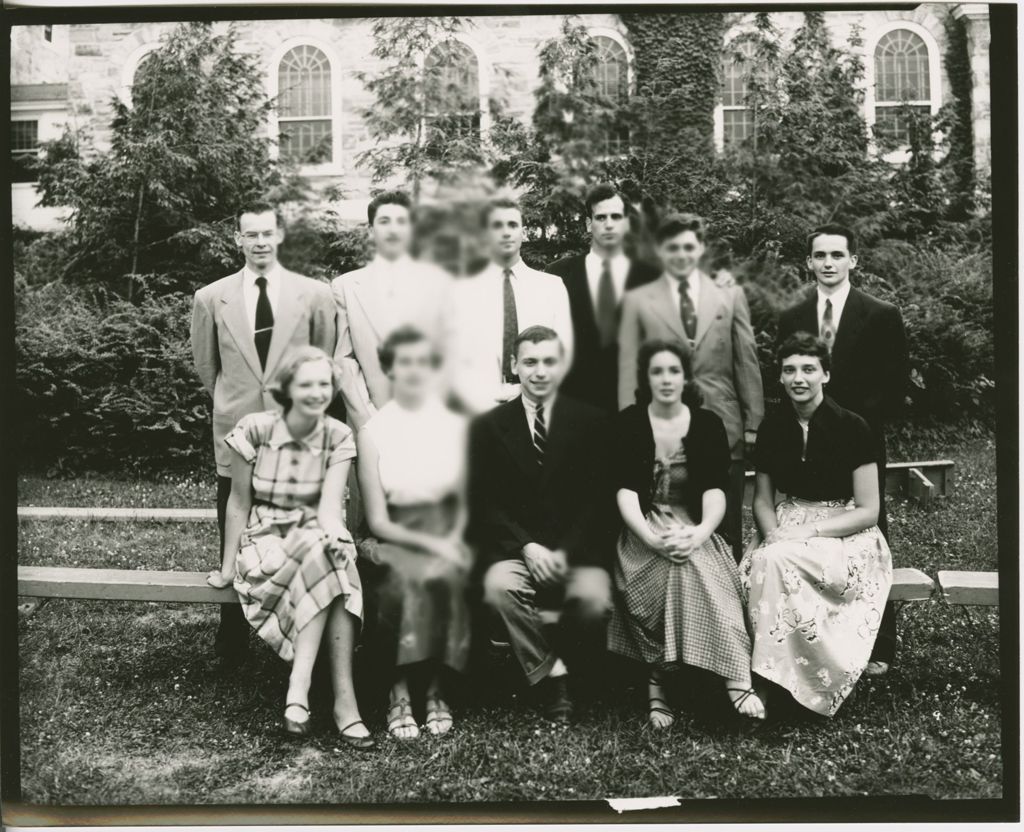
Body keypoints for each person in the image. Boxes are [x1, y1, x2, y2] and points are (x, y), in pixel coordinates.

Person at [191, 202, 338, 663]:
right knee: (232, 511)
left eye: (267, 234)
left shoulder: (314, 295)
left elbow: (324, 359)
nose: (259, 242)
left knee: (296, 522)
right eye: (250, 235)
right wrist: (233, 401)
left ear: (280, 237)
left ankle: (300, 623)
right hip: (235, 426)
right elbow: (206, 366)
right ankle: (231, 629)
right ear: (237, 239)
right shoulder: (211, 297)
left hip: (295, 429)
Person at [205, 347, 374, 750]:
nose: (317, 392)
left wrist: (338, 535)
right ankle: (343, 705)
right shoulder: (254, 429)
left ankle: (299, 692)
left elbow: (330, 510)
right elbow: (239, 503)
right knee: (332, 564)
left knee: (329, 552)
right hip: (265, 539)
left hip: (313, 534)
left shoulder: (338, 435)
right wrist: (228, 568)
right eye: (307, 384)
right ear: (287, 387)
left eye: (323, 384)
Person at [609, 339, 765, 728]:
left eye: (673, 371)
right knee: (677, 568)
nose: (666, 379)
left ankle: (662, 681)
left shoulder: (707, 424)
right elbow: (626, 491)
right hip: (642, 535)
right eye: (657, 371)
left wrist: (698, 534)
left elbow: (715, 491)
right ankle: (733, 679)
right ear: (646, 378)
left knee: (690, 564)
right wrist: (649, 537)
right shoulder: (628, 423)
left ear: (686, 377)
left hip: (694, 529)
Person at [776, 224, 909, 677]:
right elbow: (790, 379)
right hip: (806, 439)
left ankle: (879, 640)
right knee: (806, 521)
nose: (828, 263)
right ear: (809, 262)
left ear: (854, 260)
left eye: (837, 254)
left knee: (871, 529)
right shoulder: (791, 316)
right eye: (819, 255)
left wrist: (850, 425)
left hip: (859, 438)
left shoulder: (880, 314)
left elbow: (894, 385)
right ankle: (813, 630)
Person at [740, 333, 893, 718]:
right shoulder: (773, 428)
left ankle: (776, 683)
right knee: (765, 561)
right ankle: (774, 677)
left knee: (775, 564)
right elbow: (762, 499)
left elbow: (868, 510)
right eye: (789, 370)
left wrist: (807, 533)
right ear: (779, 378)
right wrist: (774, 533)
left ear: (825, 374)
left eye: (809, 369)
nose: (799, 378)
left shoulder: (854, 427)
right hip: (787, 523)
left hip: (844, 532)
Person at [469, 326, 615, 723]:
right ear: (514, 366)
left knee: (595, 602)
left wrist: (563, 553)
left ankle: (583, 676)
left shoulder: (592, 422)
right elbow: (485, 503)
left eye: (549, 361)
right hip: (517, 550)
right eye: (530, 362)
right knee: (500, 587)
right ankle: (554, 676)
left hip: (576, 552)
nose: (539, 371)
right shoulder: (488, 426)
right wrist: (527, 547)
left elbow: (597, 503)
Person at [618, 213, 763, 562]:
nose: (681, 254)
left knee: (725, 524)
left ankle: (731, 596)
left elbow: (746, 359)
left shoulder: (729, 295)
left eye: (688, 246)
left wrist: (754, 422)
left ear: (699, 249)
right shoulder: (639, 300)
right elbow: (627, 366)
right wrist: (627, 423)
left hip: (723, 422)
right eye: (672, 248)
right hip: (661, 426)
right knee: (660, 509)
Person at [356, 326, 472, 740]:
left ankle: (439, 690)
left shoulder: (454, 425)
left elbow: (464, 500)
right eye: (404, 362)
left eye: (423, 362)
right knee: (399, 579)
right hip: (394, 533)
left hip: (447, 528)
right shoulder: (373, 432)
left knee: (449, 574)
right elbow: (378, 519)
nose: (414, 371)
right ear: (390, 369)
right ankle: (398, 689)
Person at [332, 190, 455, 431]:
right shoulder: (346, 287)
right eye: (384, 222)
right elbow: (344, 360)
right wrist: (370, 421)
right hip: (371, 422)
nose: (393, 230)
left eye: (401, 221)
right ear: (370, 231)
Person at [450, 197, 574, 415]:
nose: (506, 232)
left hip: (540, 407)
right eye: (497, 226)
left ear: (523, 233)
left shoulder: (551, 287)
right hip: (480, 412)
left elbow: (564, 352)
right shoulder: (463, 291)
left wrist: (532, 393)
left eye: (513, 225)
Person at [545, 183, 660, 411]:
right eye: (601, 217)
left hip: (635, 407)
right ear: (589, 224)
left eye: (616, 217)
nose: (609, 224)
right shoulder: (558, 275)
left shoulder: (650, 276)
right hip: (573, 406)